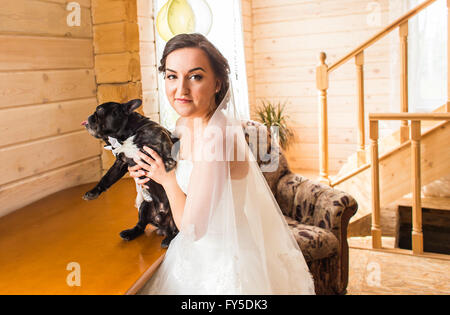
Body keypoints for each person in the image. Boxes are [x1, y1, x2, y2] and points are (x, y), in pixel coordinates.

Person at [128, 33, 315, 295]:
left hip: (222, 264)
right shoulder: (184, 124)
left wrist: (167, 178)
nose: (180, 89)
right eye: (172, 76)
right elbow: (185, 188)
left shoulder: (217, 138)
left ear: (217, 83)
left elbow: (193, 228)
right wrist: (148, 174)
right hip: (195, 256)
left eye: (195, 76)